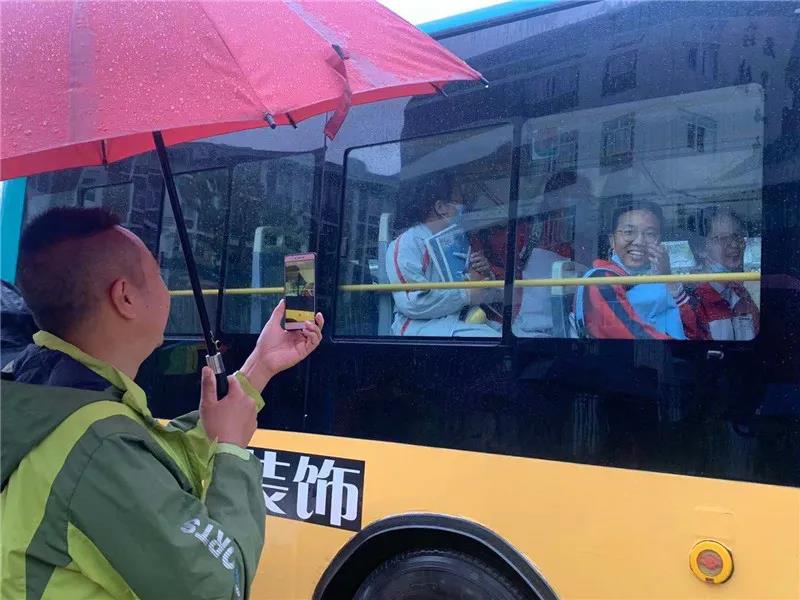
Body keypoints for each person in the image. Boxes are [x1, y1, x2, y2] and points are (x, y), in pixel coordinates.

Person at [0, 207, 324, 600]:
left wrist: (259, 365)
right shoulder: (95, 450)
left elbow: (153, 464)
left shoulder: (42, 391)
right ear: (125, 297)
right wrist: (232, 453)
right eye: (156, 274)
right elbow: (221, 589)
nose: (166, 288)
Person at [387, 172, 500, 337]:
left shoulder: (459, 241)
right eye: (461, 199)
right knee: (493, 340)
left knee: (519, 336)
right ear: (441, 208)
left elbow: (481, 294)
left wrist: (484, 276)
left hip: (461, 320)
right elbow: (412, 302)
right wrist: (466, 294)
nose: (465, 206)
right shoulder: (407, 243)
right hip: (419, 327)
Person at [576, 200, 701, 339]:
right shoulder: (601, 280)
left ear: (659, 241)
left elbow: (695, 332)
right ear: (612, 240)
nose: (639, 241)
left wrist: (669, 278)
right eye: (629, 232)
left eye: (650, 234)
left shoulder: (660, 279)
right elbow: (629, 337)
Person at [513, 172, 598, 336]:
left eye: (588, 198)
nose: (587, 203)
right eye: (579, 196)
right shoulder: (527, 232)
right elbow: (501, 278)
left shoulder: (588, 239)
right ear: (554, 200)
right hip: (527, 332)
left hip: (571, 332)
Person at [688, 208, 759, 340]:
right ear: (700, 249)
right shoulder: (690, 299)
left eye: (737, 236)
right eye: (723, 238)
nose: (734, 244)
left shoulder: (740, 293)